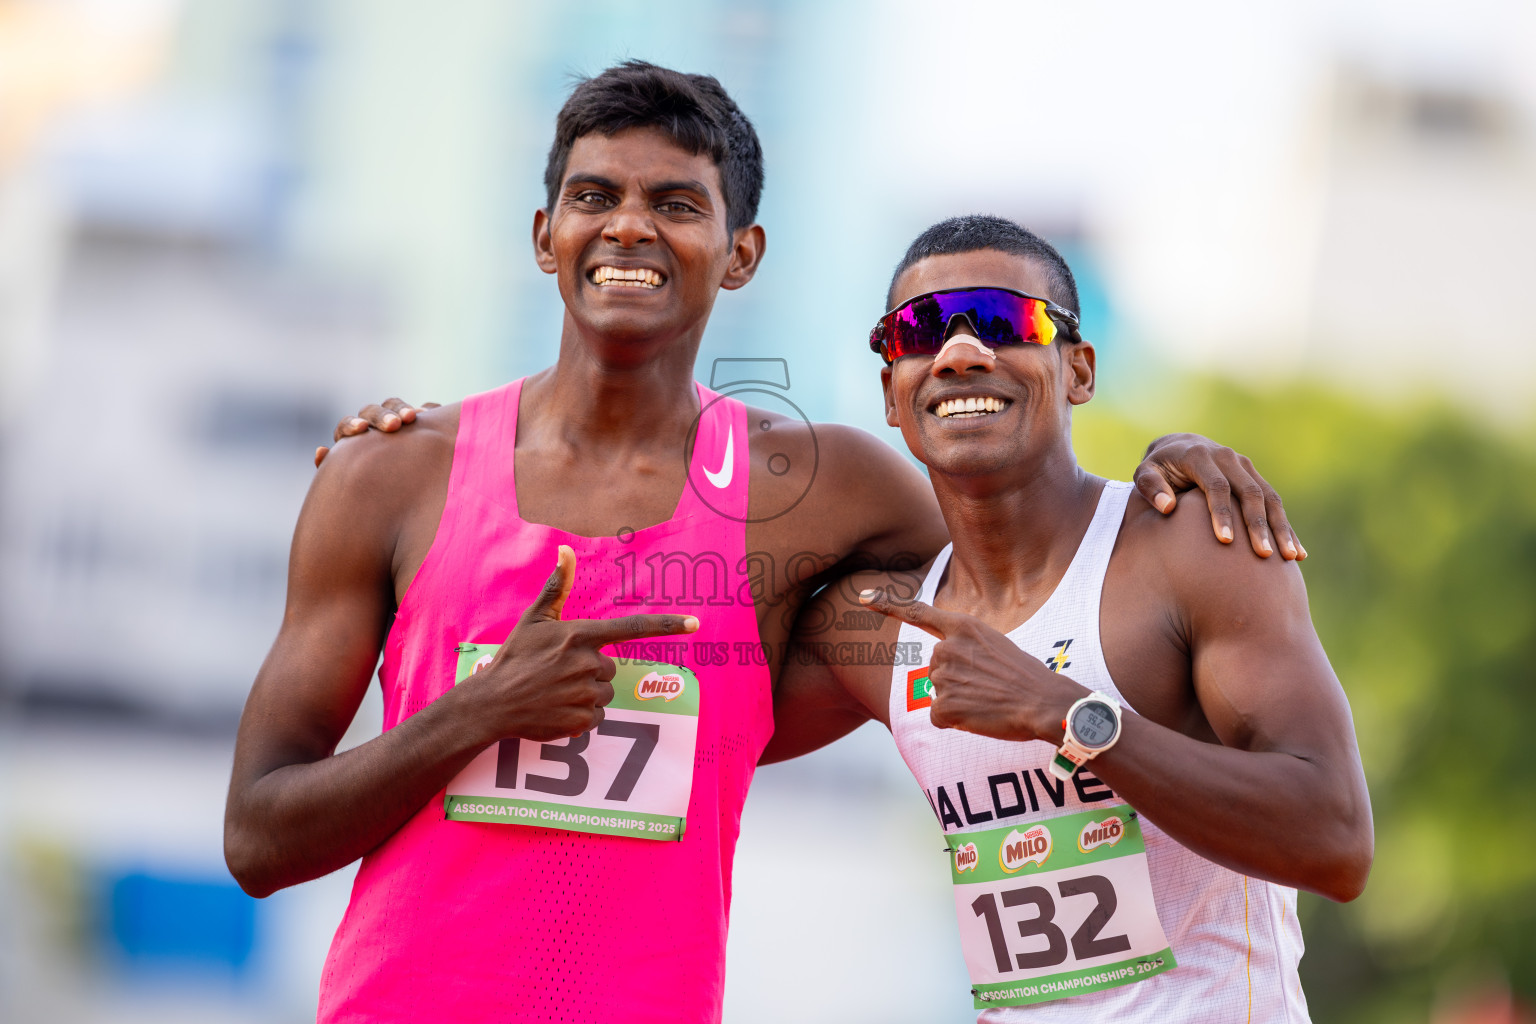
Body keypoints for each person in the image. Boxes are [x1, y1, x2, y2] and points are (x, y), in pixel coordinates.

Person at [226, 63, 1302, 1023]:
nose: (629, 228)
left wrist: (1171, 464)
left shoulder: (822, 489)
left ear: (741, 254)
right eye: (594, 197)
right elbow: (260, 838)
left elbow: (1045, 554)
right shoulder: (391, 475)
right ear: (544, 234)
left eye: (675, 204)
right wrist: (478, 710)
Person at [764, 215, 1373, 1021]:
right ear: (892, 395)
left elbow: (1335, 840)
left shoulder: (1188, 547)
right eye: (918, 331)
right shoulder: (878, 629)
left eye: (1003, 322)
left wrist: (1066, 715)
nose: (959, 353)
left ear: (1078, 369)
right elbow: (687, 745)